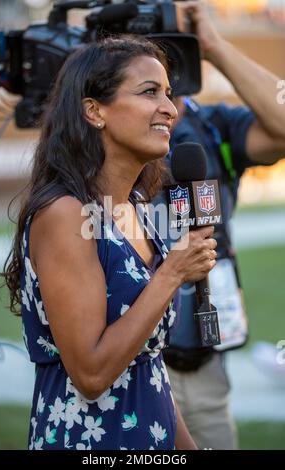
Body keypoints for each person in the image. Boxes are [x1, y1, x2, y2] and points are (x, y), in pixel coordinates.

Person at [2, 35, 218, 450]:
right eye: (149, 92)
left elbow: (148, 371)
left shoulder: (136, 207)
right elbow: (92, 375)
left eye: (169, 95)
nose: (170, 110)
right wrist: (171, 273)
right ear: (95, 111)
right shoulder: (64, 215)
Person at [157, 1, 285, 450]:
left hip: (208, 350)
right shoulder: (98, 134)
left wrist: (216, 47)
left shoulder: (211, 127)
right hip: (132, 359)